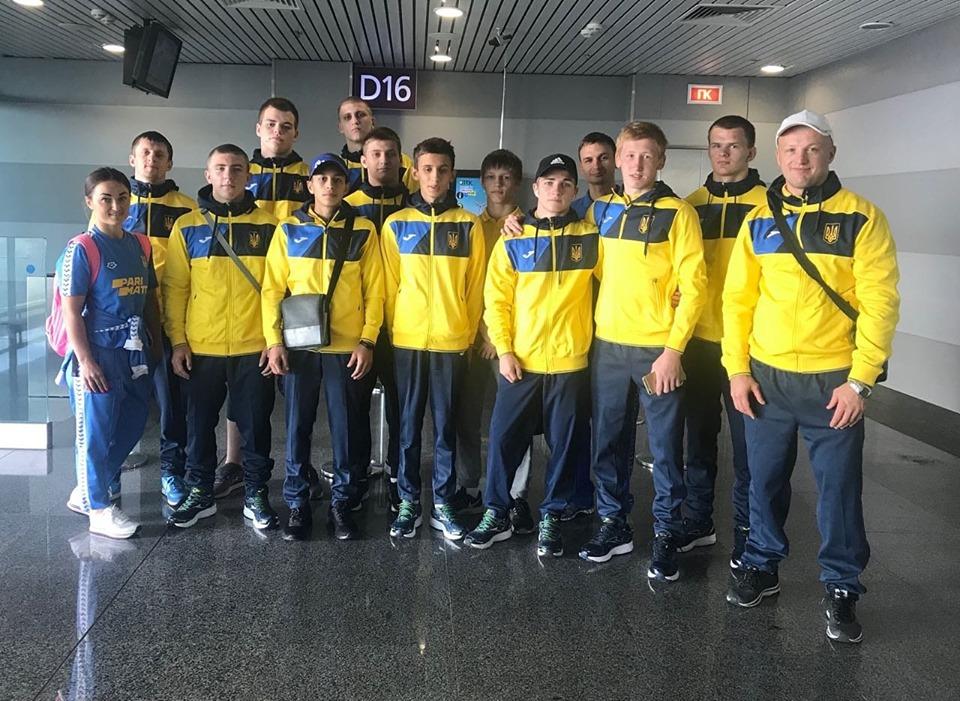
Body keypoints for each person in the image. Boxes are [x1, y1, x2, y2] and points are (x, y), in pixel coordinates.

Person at [722, 110, 900, 644]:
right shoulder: (759, 219)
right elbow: (737, 300)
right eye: (791, 150)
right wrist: (737, 369)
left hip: (833, 383)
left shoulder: (862, 218)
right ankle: (761, 564)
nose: (801, 160)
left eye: (812, 150)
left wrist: (860, 379)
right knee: (762, 480)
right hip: (767, 379)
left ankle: (842, 585)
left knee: (838, 490)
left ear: (830, 154)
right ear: (778, 156)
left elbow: (880, 304)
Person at [581, 122, 707, 573]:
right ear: (618, 158)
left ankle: (667, 531)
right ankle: (613, 523)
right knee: (608, 441)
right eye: (630, 155)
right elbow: (580, 260)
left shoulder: (678, 213)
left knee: (665, 446)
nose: (637, 165)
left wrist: (674, 350)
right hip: (608, 347)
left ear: (661, 161)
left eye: (647, 156)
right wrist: (515, 224)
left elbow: (695, 286)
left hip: (658, 349)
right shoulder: (598, 211)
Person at [463, 154, 599, 556]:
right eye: (549, 182)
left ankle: (552, 516)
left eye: (565, 183)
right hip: (520, 362)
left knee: (563, 447)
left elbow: (624, 280)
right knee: (504, 440)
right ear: (536, 188)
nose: (557, 190)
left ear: (575, 191)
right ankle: (496, 512)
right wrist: (504, 350)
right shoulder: (513, 238)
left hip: (570, 363)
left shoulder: (591, 237)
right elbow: (496, 301)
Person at [262, 153, 384, 541]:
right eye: (322, 179)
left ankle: (342, 503)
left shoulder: (363, 229)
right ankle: (297, 502)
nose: (330, 185)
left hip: (346, 348)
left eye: (337, 179)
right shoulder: (289, 229)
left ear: (346, 186)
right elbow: (272, 290)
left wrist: (367, 341)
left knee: (346, 430)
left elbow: (375, 291)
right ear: (310, 185)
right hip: (299, 348)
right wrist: (273, 341)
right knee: (296, 427)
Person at [163, 144, 279, 531]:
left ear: (249, 175)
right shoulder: (187, 226)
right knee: (198, 425)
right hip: (201, 347)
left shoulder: (269, 226)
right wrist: (178, 342)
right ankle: (200, 491)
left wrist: (273, 340)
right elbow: (176, 289)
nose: (228, 175)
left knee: (256, 425)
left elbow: (278, 289)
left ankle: (256, 491)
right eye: (221, 168)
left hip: (254, 347)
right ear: (208, 174)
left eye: (237, 168)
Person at [380, 137, 485, 539]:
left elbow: (475, 289)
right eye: (427, 169)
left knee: (445, 429)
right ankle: (408, 500)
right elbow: (389, 288)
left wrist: (465, 334)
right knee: (407, 429)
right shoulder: (396, 224)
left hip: (451, 343)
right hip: (406, 343)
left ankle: (443, 502)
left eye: (442, 170)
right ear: (415, 172)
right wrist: (396, 333)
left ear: (452, 174)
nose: (434, 177)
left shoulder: (469, 224)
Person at [213, 97, 317, 501]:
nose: (278, 131)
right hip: (244, 295)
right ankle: (233, 462)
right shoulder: (240, 172)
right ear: (258, 128)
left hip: (294, 295)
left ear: (296, 132)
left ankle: (299, 464)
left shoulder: (310, 176)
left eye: (286, 126)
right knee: (243, 389)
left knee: (295, 389)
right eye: (271, 124)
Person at [679, 115, 767, 568]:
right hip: (698, 340)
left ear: (751, 151)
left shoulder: (770, 205)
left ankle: (749, 533)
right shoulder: (689, 206)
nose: (724, 153)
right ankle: (698, 521)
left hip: (748, 346)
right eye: (716, 145)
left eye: (733, 146)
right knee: (698, 440)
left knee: (751, 447)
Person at [61, 167, 161, 538]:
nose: (116, 206)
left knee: (134, 421)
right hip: (98, 352)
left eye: (122, 198)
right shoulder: (82, 248)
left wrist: (156, 343)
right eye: (106, 199)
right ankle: (99, 508)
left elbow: (148, 297)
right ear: (90, 202)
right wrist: (86, 361)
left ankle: (88, 489)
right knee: (96, 434)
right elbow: (72, 312)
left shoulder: (140, 244)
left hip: (133, 352)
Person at [452, 148, 535, 534]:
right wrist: (479, 334)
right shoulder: (469, 225)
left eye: (506, 178)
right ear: (481, 183)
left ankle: (515, 496)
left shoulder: (529, 226)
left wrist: (499, 342)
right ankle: (469, 486)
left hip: (511, 343)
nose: (498, 185)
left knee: (515, 421)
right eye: (491, 178)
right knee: (466, 416)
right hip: (472, 337)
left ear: (517, 182)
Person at [124, 131, 196, 508]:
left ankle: (172, 470)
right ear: (132, 159)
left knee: (172, 402)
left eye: (159, 154)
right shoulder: (118, 202)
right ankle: (109, 468)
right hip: (122, 320)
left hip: (167, 320)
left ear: (170, 162)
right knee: (119, 396)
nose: (152, 159)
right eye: (145, 153)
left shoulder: (187, 208)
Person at [344, 126, 409, 510]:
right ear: (363, 159)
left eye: (390, 154)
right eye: (376, 154)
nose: (384, 160)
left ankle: (400, 476)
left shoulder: (415, 202)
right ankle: (356, 477)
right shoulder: (347, 205)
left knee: (402, 407)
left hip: (403, 326)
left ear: (401, 159)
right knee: (354, 407)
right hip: (359, 328)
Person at [337, 97, 417, 194]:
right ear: (340, 127)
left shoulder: (404, 162)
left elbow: (414, 200)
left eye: (361, 115)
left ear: (373, 122)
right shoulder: (335, 167)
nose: (355, 121)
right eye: (347, 117)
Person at [571, 131, 617, 219]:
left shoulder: (632, 207)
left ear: (616, 161)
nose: (596, 166)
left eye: (603, 158)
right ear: (581, 167)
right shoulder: (572, 213)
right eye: (588, 160)